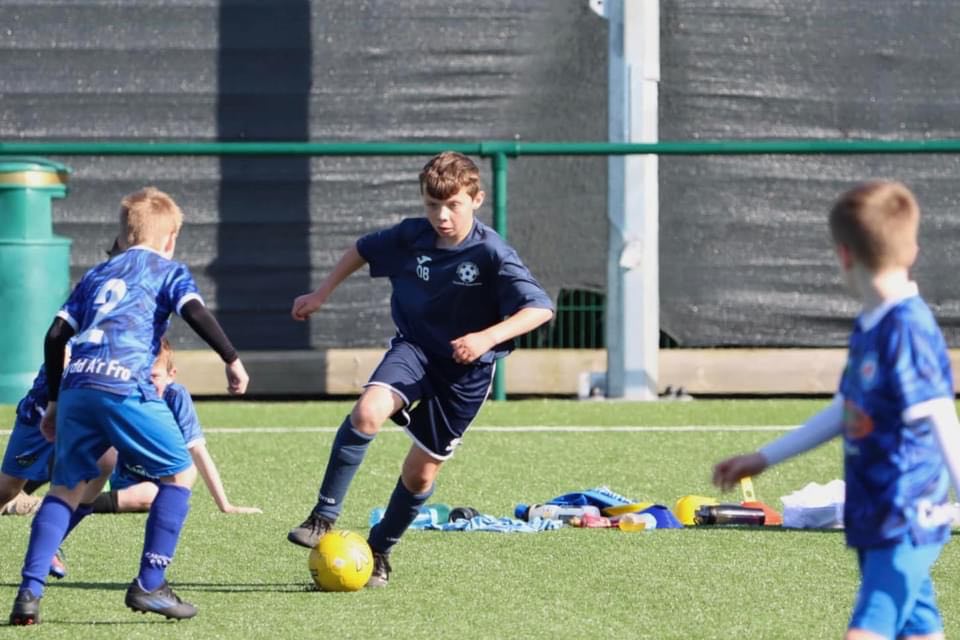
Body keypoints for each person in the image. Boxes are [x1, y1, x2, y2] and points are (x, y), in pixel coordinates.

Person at [285, 151, 554, 587]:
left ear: (477, 200)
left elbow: (540, 308)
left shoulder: (492, 252)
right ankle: (323, 516)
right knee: (367, 412)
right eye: (433, 205)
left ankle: (379, 549)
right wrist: (321, 294)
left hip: (465, 375)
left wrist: (486, 337)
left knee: (420, 473)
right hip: (415, 350)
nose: (442, 216)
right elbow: (362, 249)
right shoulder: (412, 236)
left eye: (453, 205)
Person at [712, 181, 960, 640]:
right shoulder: (871, 322)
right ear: (913, 249)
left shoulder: (907, 328)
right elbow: (846, 410)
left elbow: (941, 415)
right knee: (920, 628)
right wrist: (764, 457)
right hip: (872, 511)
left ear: (843, 256)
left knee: (867, 629)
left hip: (905, 516)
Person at [9, 187, 249, 625]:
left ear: (122, 236)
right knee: (180, 473)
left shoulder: (97, 274)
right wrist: (231, 359)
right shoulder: (169, 270)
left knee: (65, 489)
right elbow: (195, 313)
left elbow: (55, 336)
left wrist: (56, 401)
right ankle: (150, 584)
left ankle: (29, 593)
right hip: (124, 383)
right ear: (171, 238)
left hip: (77, 385)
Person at [91, 338, 261, 515]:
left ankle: (87, 504)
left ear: (171, 375)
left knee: (153, 493)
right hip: (126, 479)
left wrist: (225, 505)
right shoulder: (127, 394)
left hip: (164, 483)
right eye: (140, 376)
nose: (146, 384)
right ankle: (86, 496)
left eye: (154, 376)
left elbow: (197, 451)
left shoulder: (176, 397)